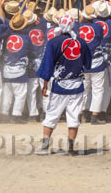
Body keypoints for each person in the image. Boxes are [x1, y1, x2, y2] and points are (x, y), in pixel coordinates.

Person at [36, 14, 92, 155]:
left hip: (60, 86)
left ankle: (44, 146)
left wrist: (45, 84)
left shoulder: (54, 42)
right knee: (73, 116)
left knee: (52, 115)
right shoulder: (81, 42)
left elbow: (48, 65)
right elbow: (88, 64)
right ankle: (71, 148)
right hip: (77, 84)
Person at [78, 3, 108, 124]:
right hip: (96, 62)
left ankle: (81, 114)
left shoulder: (77, 27)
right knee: (97, 89)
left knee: (83, 90)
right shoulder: (98, 27)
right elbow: (100, 38)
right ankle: (94, 115)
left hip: (83, 62)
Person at [1, 13, 33, 123]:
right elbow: (31, 51)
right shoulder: (26, 38)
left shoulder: (7, 36)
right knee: (20, 94)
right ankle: (16, 115)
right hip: (19, 70)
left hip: (7, 69)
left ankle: (4, 114)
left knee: (7, 94)